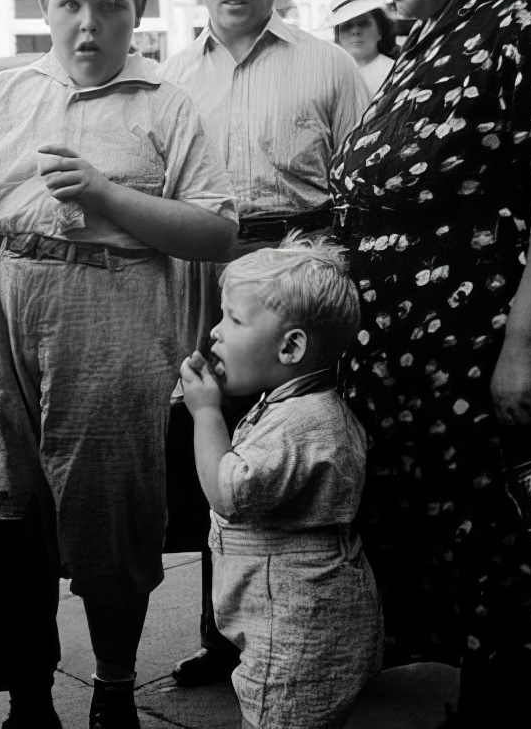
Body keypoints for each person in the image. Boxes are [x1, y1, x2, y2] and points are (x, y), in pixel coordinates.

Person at [0, 0, 238, 729]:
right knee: (4, 513)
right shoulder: (4, 93)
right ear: (45, 5)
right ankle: (30, 692)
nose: (88, 25)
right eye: (68, 6)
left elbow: (216, 230)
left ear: (139, 4)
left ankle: (117, 689)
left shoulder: (168, 104)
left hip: (114, 318)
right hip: (5, 307)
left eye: (111, 7)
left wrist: (105, 195)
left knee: (111, 521)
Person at [329, 0, 531, 729]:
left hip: (490, 365)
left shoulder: (524, 23)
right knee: (461, 570)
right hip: (421, 371)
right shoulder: (438, 36)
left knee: (512, 567)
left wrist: (525, 352)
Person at [159, 0, 371, 688]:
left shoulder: (328, 65)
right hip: (211, 291)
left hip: (304, 288)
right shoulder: (172, 78)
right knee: (216, 454)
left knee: (316, 458)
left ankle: (334, 631)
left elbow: (364, 188)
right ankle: (228, 637)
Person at [179, 239, 381, 728]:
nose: (215, 331)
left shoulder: (303, 423)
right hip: (292, 617)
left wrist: (206, 414)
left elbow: (229, 494)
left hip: (295, 630)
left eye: (234, 320)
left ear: (290, 346)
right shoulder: (294, 404)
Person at [323, 0, 397, 96]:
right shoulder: (328, 75)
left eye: (364, 23)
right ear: (338, 37)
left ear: (380, 31)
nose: (355, 31)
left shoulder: (394, 72)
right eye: (347, 25)